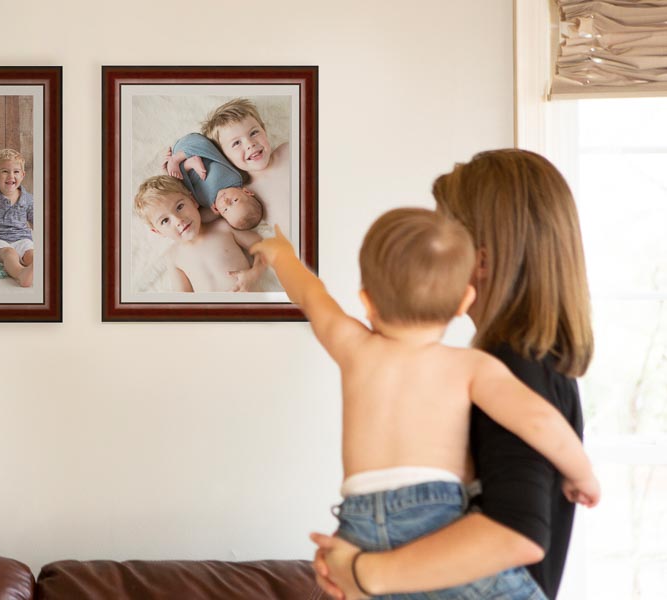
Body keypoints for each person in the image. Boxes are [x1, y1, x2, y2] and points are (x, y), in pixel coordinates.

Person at [252, 208, 598, 599]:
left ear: (366, 301)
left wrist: (282, 255)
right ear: (463, 301)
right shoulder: (471, 367)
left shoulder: (354, 348)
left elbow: (311, 296)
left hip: (358, 524)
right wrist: (581, 474)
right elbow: (539, 420)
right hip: (435, 516)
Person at [134, 175, 264, 292]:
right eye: (165, 220)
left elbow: (263, 246)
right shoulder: (173, 257)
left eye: (179, 207)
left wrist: (255, 273)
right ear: (157, 231)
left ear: (193, 200)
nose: (178, 220)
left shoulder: (222, 228)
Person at [201, 98, 290, 234]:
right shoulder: (245, 192)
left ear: (264, 130)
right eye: (236, 143)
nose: (250, 144)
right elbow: (200, 218)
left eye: (254, 133)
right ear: (225, 157)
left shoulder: (288, 150)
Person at [162, 132, 264, 231]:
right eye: (235, 200)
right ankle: (178, 160)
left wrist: (178, 169)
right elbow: (213, 153)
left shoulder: (205, 202)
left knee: (179, 184)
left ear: (218, 212)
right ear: (246, 191)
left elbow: (186, 188)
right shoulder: (234, 178)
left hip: (180, 160)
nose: (225, 201)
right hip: (192, 144)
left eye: (225, 210)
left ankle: (186, 164)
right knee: (206, 147)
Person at [0, 148, 34, 287]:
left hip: (22, 238)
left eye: (16, 172)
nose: (11, 176)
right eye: (5, 171)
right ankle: (20, 273)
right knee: (10, 254)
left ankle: (36, 270)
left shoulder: (28, 199)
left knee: (31, 253)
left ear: (22, 175)